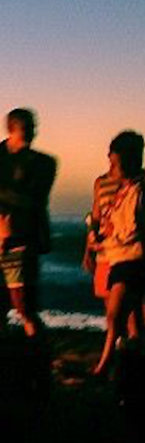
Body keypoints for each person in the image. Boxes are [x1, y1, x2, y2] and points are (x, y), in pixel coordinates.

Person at [0, 108, 56, 337]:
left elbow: (32, 199)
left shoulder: (43, 163)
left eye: (32, 128)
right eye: (26, 129)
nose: (32, 134)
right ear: (11, 130)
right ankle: (3, 356)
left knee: (26, 309)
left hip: (22, 242)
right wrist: (9, 201)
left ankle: (36, 355)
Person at [92, 131, 145, 376]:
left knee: (115, 315)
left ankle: (105, 365)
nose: (111, 168)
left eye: (115, 163)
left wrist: (106, 240)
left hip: (132, 259)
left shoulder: (137, 190)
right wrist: (97, 240)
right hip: (120, 259)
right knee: (121, 316)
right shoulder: (124, 190)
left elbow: (130, 230)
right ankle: (119, 362)